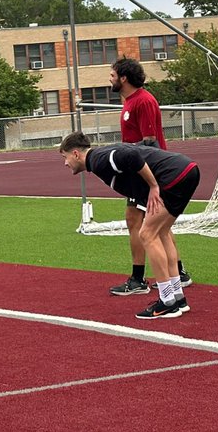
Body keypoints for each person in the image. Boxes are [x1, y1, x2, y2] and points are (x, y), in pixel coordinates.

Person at [60, 132, 201, 320]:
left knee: (147, 235)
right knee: (162, 232)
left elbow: (131, 156)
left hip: (173, 175)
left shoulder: (99, 159)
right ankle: (177, 297)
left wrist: (153, 186)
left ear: (76, 154)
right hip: (186, 170)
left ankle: (167, 301)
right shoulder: (101, 157)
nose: (65, 163)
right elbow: (145, 147)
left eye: (65, 157)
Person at [107, 57, 192, 296]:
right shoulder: (130, 101)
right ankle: (178, 271)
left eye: (113, 75)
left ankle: (138, 279)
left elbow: (149, 143)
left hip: (145, 172)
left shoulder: (143, 101)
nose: (110, 79)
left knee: (139, 222)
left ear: (123, 77)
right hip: (138, 171)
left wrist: (126, 156)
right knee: (157, 225)